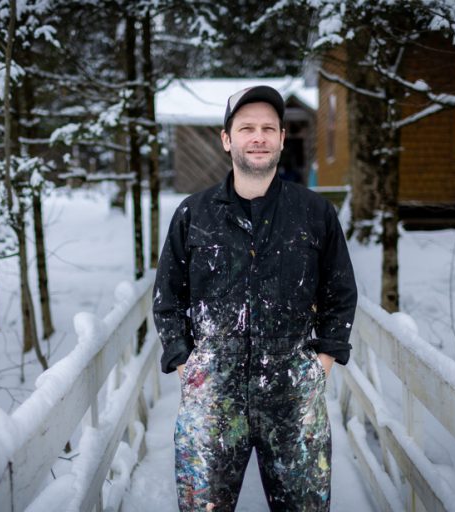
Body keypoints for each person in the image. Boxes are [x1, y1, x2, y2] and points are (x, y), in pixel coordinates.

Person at [153, 85, 357, 512]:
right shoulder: (194, 214)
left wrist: (322, 363)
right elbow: (168, 297)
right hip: (211, 402)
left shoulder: (315, 214)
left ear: (283, 138)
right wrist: (183, 361)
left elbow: (340, 294)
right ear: (227, 140)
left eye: (268, 128)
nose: (258, 137)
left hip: (293, 400)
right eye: (247, 128)